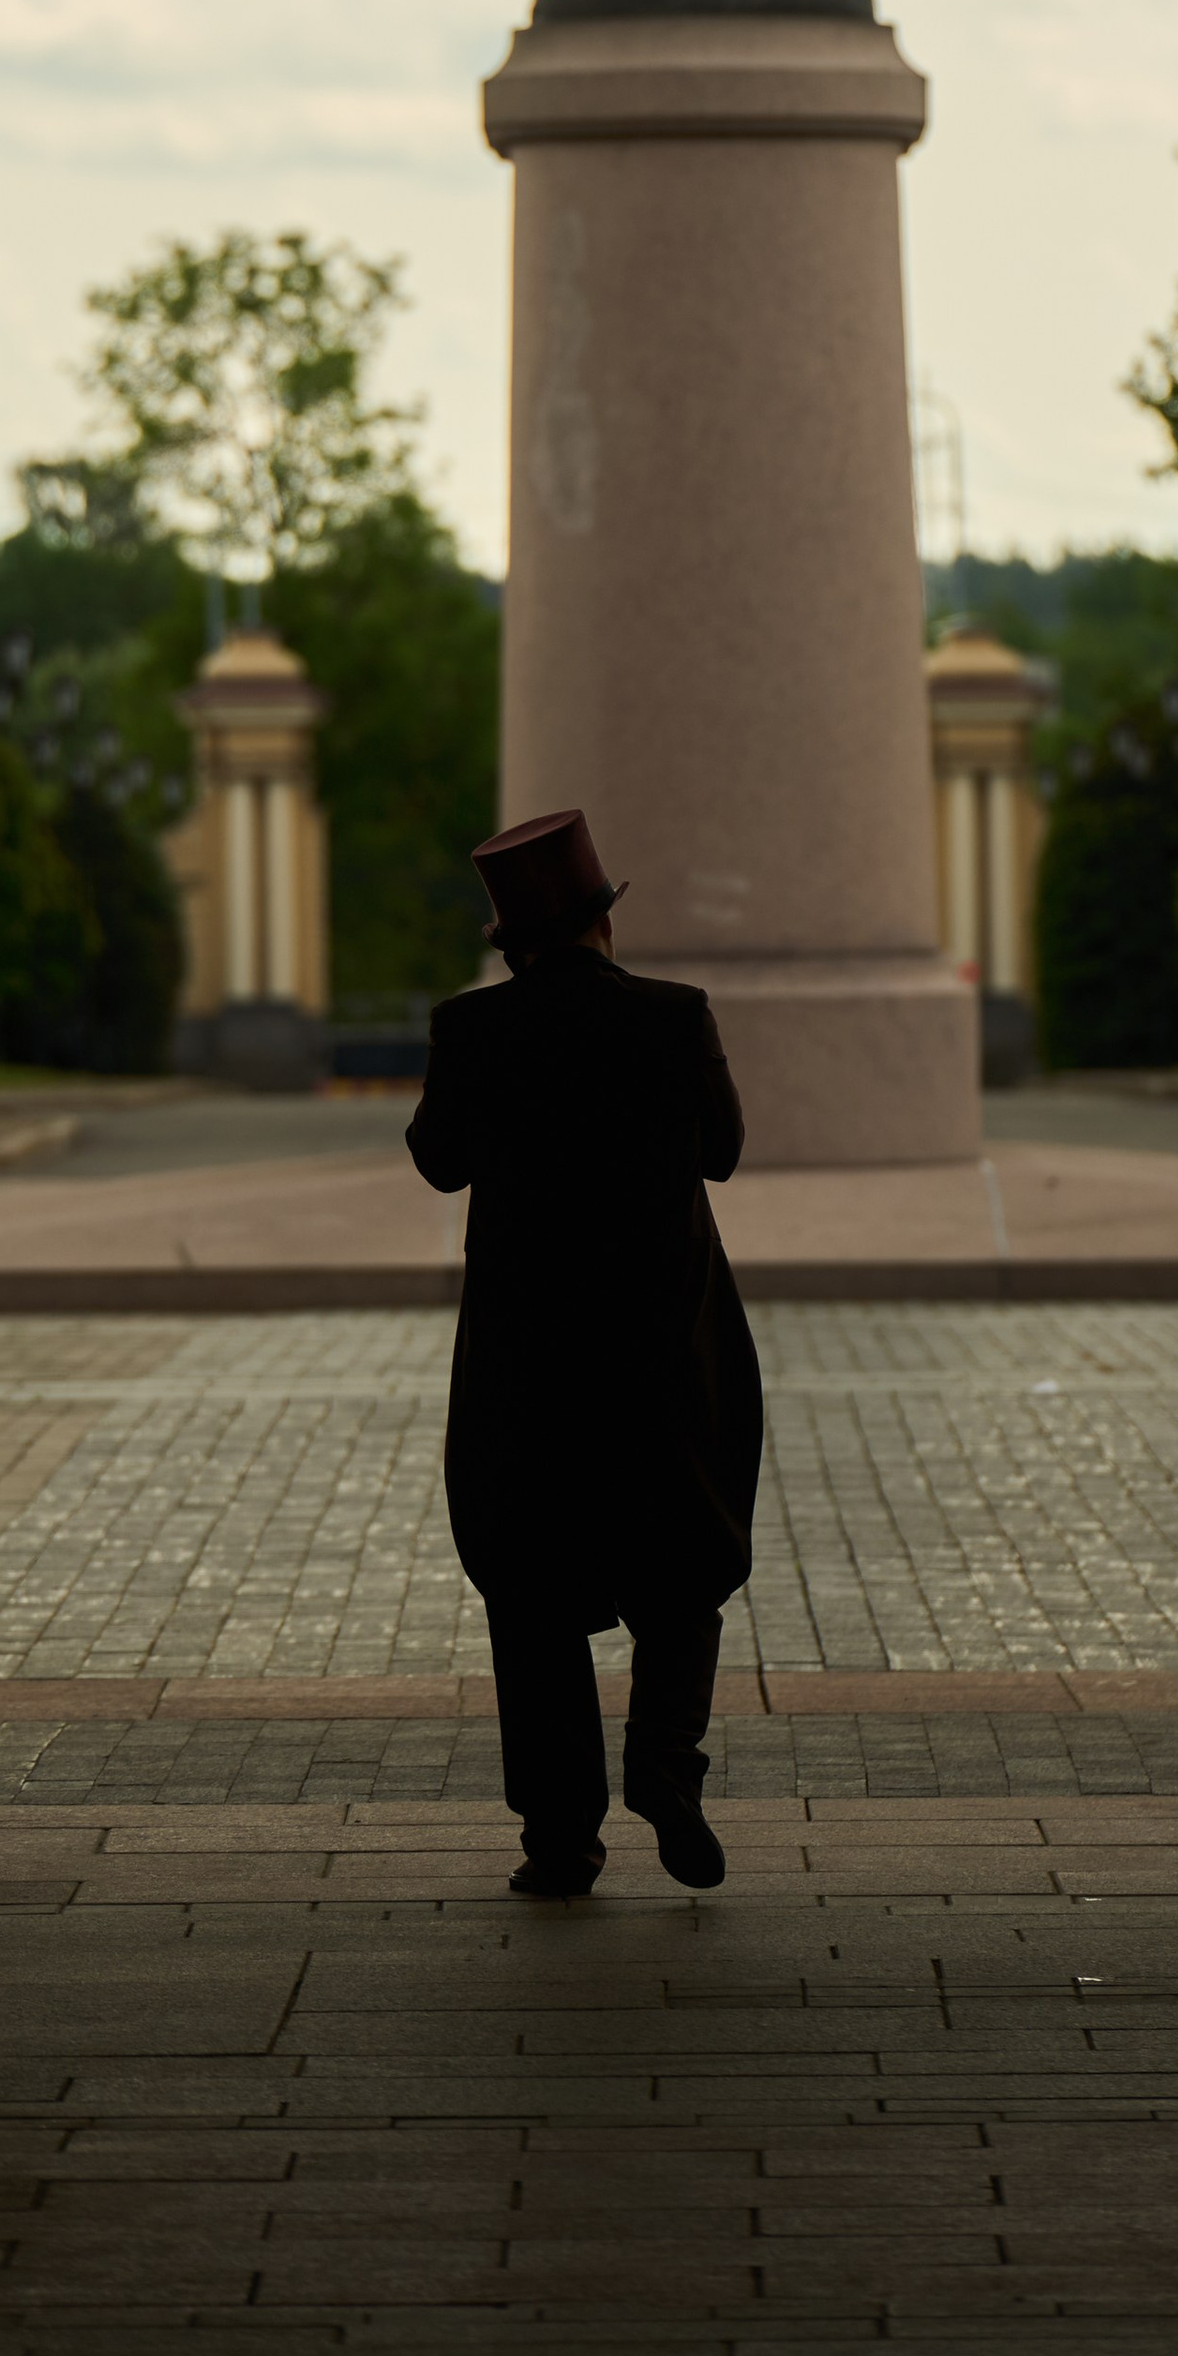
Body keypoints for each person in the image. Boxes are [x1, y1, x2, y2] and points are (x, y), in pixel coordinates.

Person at [406, 807, 763, 1898]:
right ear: (604, 922)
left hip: (528, 1354)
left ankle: (560, 1841)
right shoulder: (674, 1016)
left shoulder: (472, 1029)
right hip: (662, 1340)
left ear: (512, 944)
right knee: (683, 1557)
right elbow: (723, 1151)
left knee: (532, 1589)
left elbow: (439, 1161)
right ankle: (665, 1763)